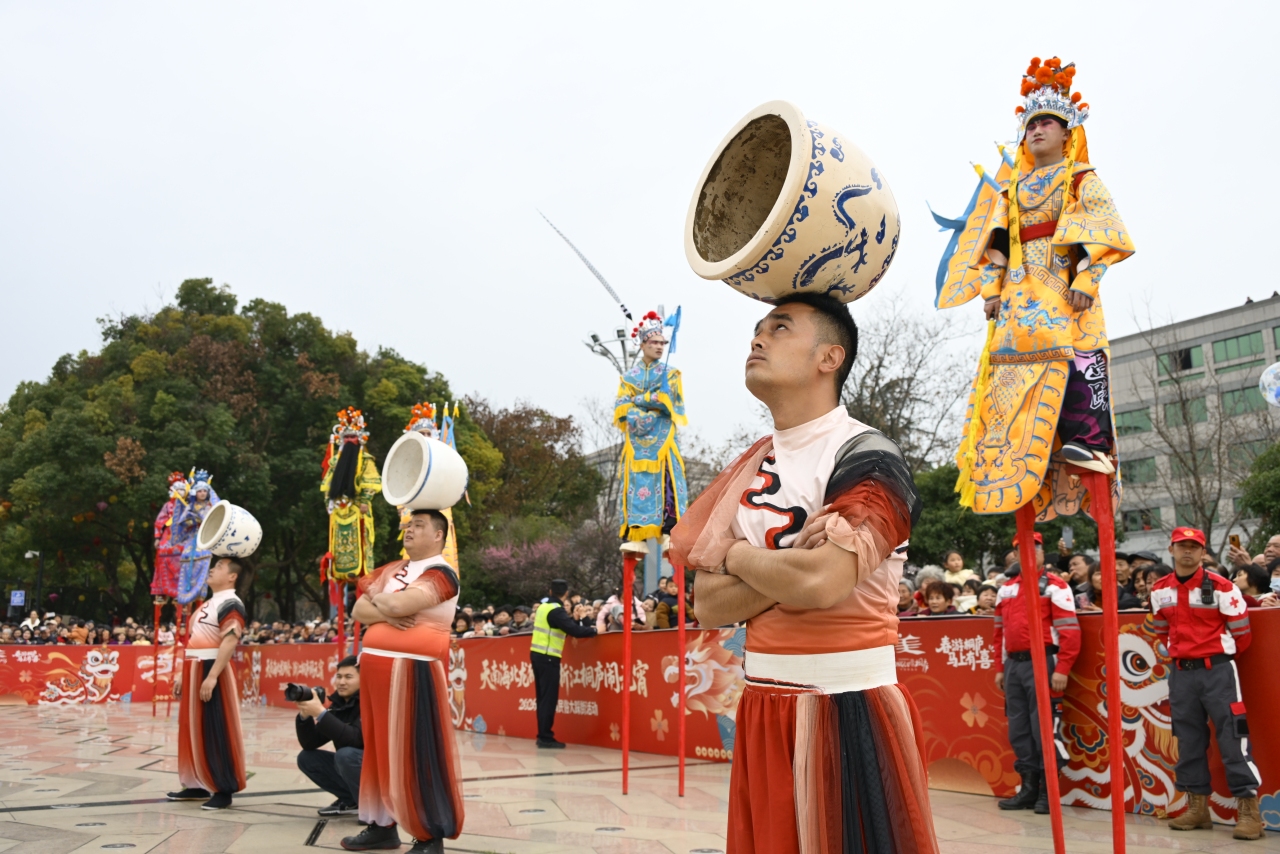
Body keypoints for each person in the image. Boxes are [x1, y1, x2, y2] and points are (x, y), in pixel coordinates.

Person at [670, 293, 937, 852]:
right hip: (764, 702)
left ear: (829, 357)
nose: (757, 338)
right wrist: (787, 565)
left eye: (780, 327)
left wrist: (740, 557)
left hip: (847, 705)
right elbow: (709, 604)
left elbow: (822, 583)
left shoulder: (868, 456)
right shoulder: (751, 465)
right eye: (758, 327)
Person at [939, 56, 1134, 509]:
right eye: (1032, 123)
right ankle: (1010, 451)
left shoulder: (1080, 178)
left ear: (1068, 134)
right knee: (1007, 375)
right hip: (1017, 297)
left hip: (1066, 292)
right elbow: (995, 244)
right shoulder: (1011, 189)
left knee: (1081, 358)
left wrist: (1088, 276)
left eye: (1049, 122)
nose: (1038, 129)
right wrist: (990, 291)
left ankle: (1089, 442)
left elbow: (1106, 233)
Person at [343, 509, 464, 853]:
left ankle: (429, 833)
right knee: (379, 751)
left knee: (416, 751)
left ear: (439, 535)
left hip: (413, 671)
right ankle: (382, 825)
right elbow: (358, 611)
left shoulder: (442, 573)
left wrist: (383, 606)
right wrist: (388, 611)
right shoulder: (394, 568)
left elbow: (399, 603)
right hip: (377, 672)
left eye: (419, 525)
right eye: (409, 525)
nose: (409, 530)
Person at [1150, 527, 1262, 839]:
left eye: (1193, 547)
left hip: (1218, 671)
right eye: (1181, 546)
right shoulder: (1159, 589)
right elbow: (1161, 630)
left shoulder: (1224, 587)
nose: (1187, 551)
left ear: (1203, 552)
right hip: (1181, 674)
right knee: (1187, 740)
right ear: (1171, 549)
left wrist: (1217, 659)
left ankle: (1249, 811)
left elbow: (1242, 635)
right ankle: (1198, 808)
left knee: (1232, 737)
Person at [993, 532, 1080, 815]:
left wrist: (1063, 667)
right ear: (1015, 554)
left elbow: (1070, 632)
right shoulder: (1005, 589)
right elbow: (998, 633)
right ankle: (1028, 789)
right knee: (1019, 730)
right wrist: (999, 668)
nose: (1029, 553)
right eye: (1022, 549)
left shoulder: (1056, 587)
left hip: (1044, 662)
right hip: (1014, 667)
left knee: (1044, 728)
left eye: (1035, 548)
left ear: (1043, 553)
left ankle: (1048, 792)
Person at [166, 557, 247, 811]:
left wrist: (212, 676)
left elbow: (230, 641)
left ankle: (224, 788)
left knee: (216, 727)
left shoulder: (231, 603)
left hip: (212, 669)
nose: (211, 569)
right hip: (194, 668)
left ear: (232, 576)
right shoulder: (207, 604)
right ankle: (195, 782)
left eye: (219, 567)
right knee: (192, 727)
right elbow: (192, 641)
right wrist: (182, 674)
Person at [616, 309, 689, 544]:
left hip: (663, 439)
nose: (660, 347)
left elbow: (672, 403)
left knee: (666, 479)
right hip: (636, 443)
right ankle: (634, 532)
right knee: (635, 482)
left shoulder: (671, 374)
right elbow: (621, 408)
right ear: (643, 344)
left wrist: (639, 400)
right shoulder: (628, 378)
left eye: (662, 343)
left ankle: (670, 530)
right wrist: (650, 403)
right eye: (655, 342)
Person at [530, 579, 598, 749]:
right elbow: (574, 631)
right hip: (548, 657)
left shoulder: (543, 607)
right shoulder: (556, 610)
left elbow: (562, 627)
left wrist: (572, 620)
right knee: (548, 699)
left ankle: (542, 735)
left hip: (538, 656)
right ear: (566, 594)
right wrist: (594, 630)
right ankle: (545, 737)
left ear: (550, 591)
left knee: (542, 698)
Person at [296, 655, 364, 817]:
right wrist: (305, 716)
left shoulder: (370, 702)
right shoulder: (339, 704)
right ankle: (351, 800)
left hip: (377, 771)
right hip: (356, 763)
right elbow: (310, 743)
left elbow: (356, 739)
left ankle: (371, 807)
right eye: (339, 676)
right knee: (307, 758)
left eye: (349, 677)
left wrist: (321, 713)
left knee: (346, 755)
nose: (341, 682)